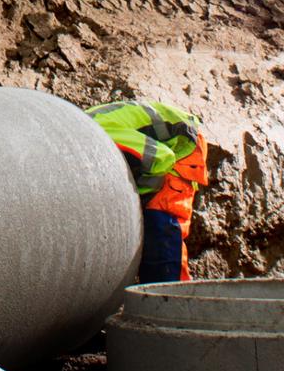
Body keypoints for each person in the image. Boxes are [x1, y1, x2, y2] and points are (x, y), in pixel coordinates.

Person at [87, 99, 209, 282]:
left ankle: (172, 297)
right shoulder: (82, 132)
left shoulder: (102, 137)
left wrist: (136, 198)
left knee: (161, 223)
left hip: (183, 146)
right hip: (160, 144)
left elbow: (162, 159)